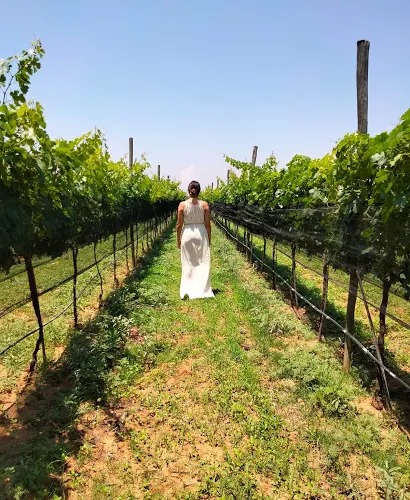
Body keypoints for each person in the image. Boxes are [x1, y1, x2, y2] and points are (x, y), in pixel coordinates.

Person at [177, 181, 214, 300]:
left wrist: (178, 239)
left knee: (188, 263)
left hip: (187, 234)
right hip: (201, 234)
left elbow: (179, 224)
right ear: (199, 191)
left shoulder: (182, 205)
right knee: (203, 262)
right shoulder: (204, 205)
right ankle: (202, 288)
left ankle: (188, 288)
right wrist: (209, 238)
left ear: (188, 190)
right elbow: (208, 224)